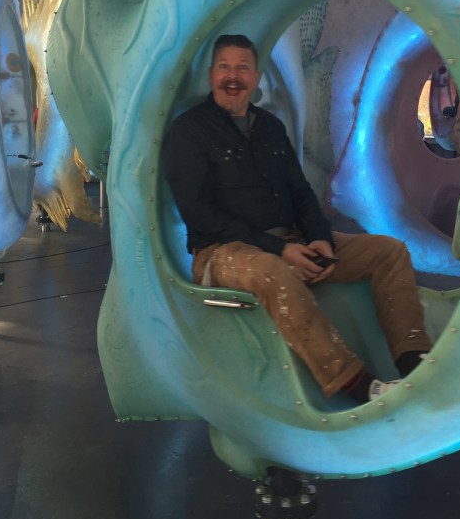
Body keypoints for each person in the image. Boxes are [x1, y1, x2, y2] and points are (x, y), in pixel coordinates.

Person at [162, 34, 432, 404]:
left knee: (389, 251)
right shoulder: (189, 131)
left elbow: (301, 192)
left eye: (242, 68)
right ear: (211, 75)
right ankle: (359, 386)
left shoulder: (270, 127)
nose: (233, 77)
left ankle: (414, 361)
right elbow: (199, 214)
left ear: (255, 76)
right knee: (274, 271)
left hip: (289, 240)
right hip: (222, 250)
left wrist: (318, 236)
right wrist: (279, 249)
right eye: (224, 67)